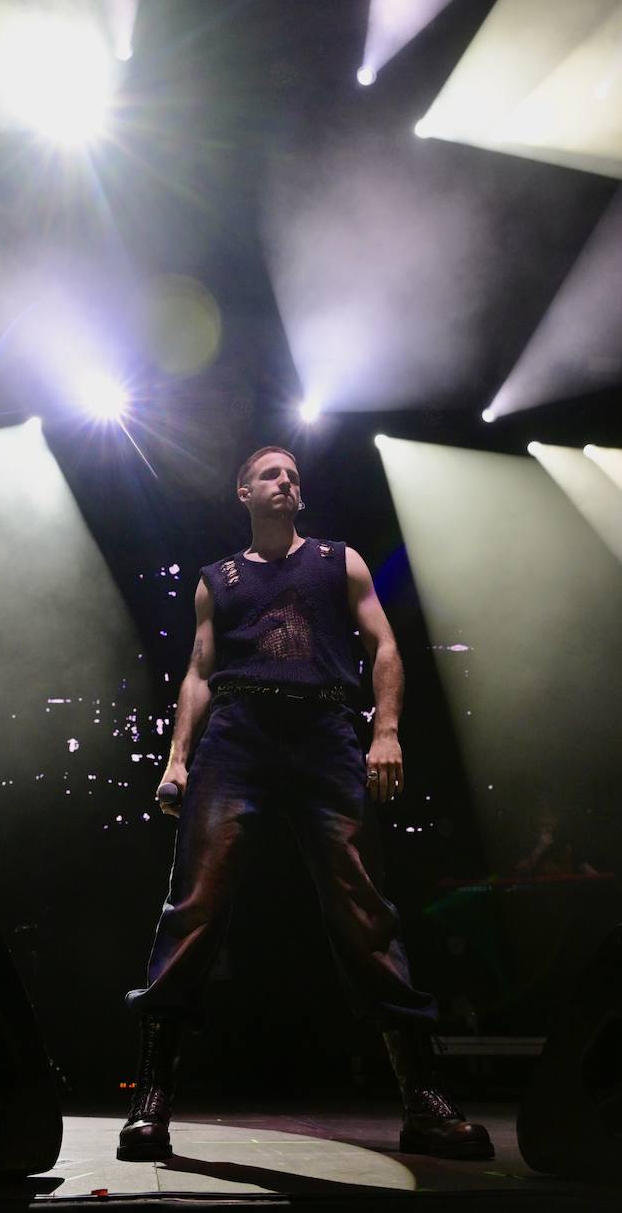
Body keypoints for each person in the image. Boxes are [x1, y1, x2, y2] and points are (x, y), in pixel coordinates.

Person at [118, 446, 493, 1162]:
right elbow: (198, 673)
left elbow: (384, 645)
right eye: (271, 474)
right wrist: (177, 760)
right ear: (244, 492)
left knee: (365, 908)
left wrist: (385, 732)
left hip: (323, 730)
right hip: (238, 732)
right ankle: (152, 1101)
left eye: (293, 475)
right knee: (194, 906)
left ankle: (425, 1100)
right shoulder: (216, 580)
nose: (287, 482)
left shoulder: (337, 559)